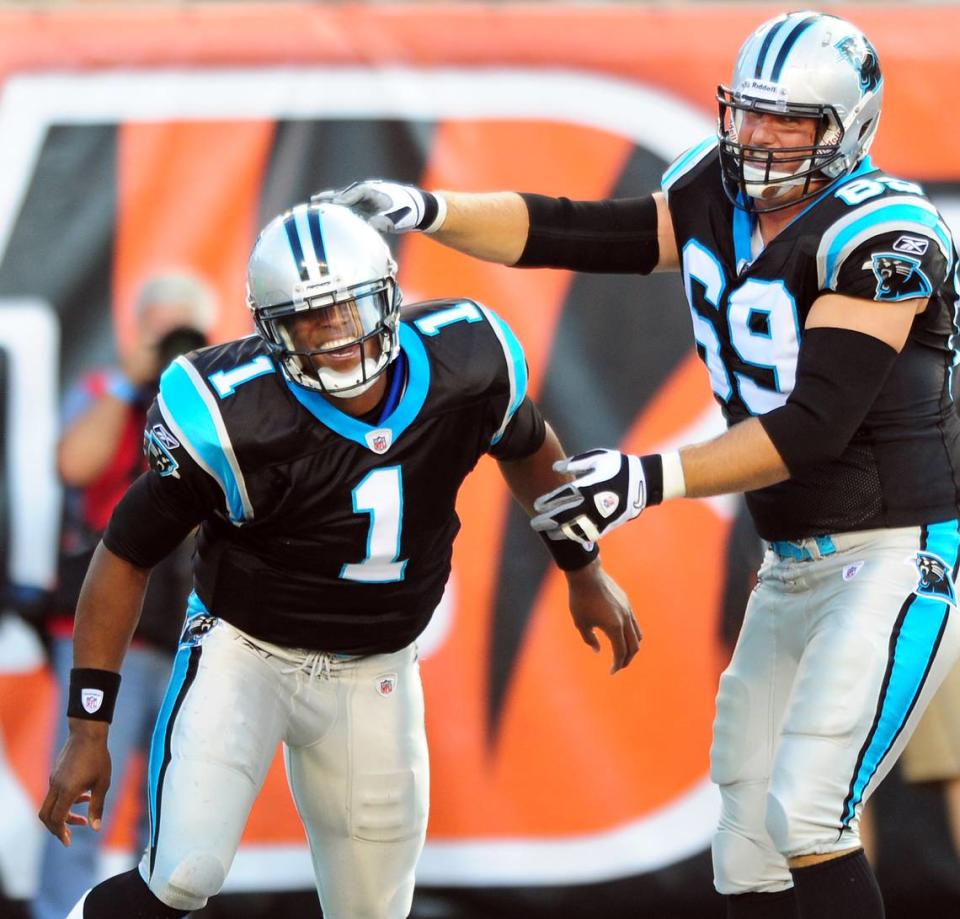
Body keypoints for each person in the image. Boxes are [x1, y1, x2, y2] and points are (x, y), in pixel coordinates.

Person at [318, 11, 960, 919]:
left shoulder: (885, 235)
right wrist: (433, 211)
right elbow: (574, 231)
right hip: (792, 558)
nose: (758, 139)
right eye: (749, 113)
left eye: (789, 122)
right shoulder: (711, 191)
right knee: (745, 839)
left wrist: (647, 477)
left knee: (810, 807)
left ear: (848, 128)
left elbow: (813, 426)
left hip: (894, 549)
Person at [38, 202, 639, 919]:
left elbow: (529, 445)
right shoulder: (234, 415)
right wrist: (87, 727)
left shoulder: (465, 363)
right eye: (306, 320)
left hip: (376, 666)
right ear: (269, 332)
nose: (334, 336)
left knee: (373, 908)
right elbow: (125, 552)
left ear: (387, 293)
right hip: (247, 652)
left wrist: (582, 566)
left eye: (346, 308)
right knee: (182, 871)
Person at [33, 272, 215, 919]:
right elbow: (75, 465)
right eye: (158, 332)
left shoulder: (213, 414)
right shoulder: (103, 392)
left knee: (176, 804)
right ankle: (58, 912)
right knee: (77, 788)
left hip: (189, 629)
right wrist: (129, 380)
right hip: (112, 636)